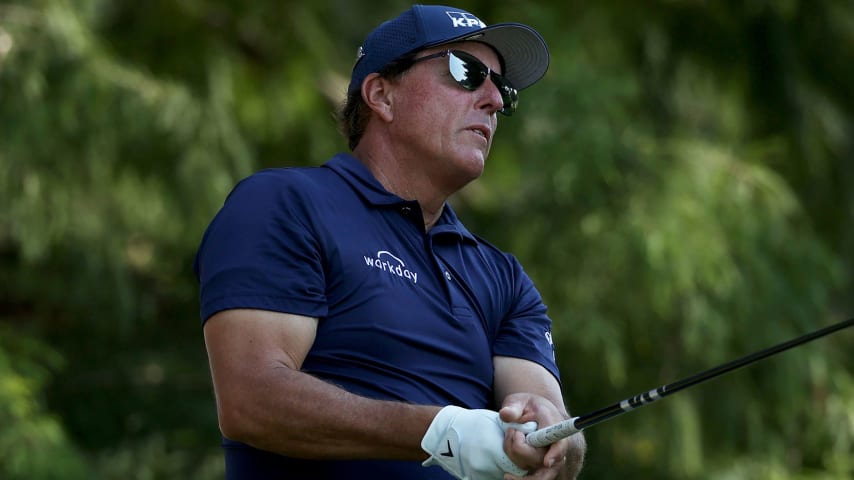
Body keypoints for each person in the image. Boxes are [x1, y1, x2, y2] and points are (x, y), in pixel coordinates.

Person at [194, 4, 586, 479]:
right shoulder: (286, 204)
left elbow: (557, 433)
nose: (495, 101)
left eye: (502, 88)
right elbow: (251, 401)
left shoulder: (503, 277)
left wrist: (551, 437)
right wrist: (439, 430)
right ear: (382, 95)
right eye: (466, 72)